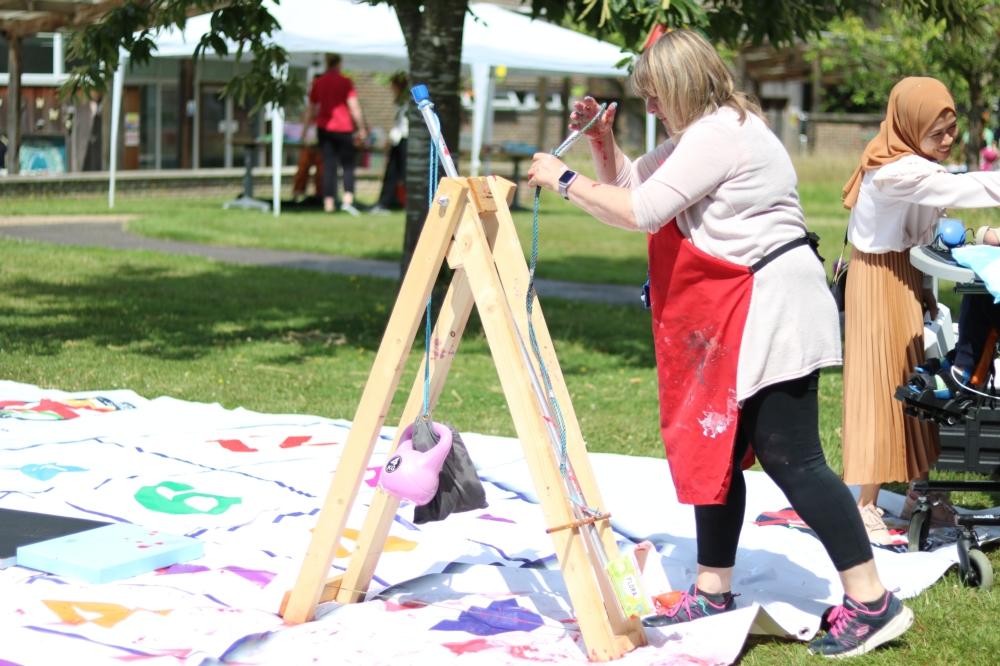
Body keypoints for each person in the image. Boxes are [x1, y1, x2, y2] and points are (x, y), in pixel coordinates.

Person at [528, 29, 911, 659]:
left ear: (678, 86)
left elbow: (642, 211)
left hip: (773, 307)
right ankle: (713, 586)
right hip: (744, 308)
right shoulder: (702, 134)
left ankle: (872, 600)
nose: (649, 108)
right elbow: (629, 190)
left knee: (792, 457)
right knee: (720, 452)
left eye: (653, 96)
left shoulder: (720, 134)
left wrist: (562, 177)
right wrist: (601, 143)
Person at [841, 77, 1000, 536]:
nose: (948, 140)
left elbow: (928, 227)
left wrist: (926, 283)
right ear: (910, 126)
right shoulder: (895, 170)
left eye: (952, 130)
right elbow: (957, 192)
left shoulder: (918, 163)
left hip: (905, 275)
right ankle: (865, 504)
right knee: (882, 386)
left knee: (919, 387)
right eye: (938, 132)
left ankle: (923, 492)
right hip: (877, 280)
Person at [301, 53, 368, 215]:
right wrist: (362, 128)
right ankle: (348, 199)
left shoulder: (319, 82)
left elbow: (311, 109)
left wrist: (304, 130)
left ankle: (329, 202)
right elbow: (354, 107)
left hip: (324, 129)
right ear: (339, 64)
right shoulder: (346, 82)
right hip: (344, 128)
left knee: (328, 166)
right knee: (348, 165)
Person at [370, 72, 409, 214]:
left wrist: (391, 138)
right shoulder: (400, 101)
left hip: (404, 139)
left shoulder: (406, 102)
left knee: (403, 174)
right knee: (391, 173)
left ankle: (401, 202)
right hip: (399, 139)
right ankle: (385, 202)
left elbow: (403, 124)